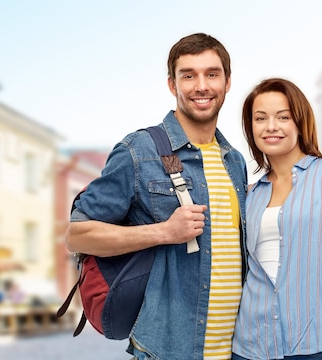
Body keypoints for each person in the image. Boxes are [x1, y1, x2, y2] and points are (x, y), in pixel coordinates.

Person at [66, 33, 248, 359]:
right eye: (188, 75)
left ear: (228, 82)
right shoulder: (139, 151)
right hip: (167, 349)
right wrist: (164, 232)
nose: (201, 85)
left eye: (212, 73)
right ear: (172, 85)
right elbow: (77, 235)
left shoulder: (234, 161)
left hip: (236, 349)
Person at [232, 78, 322, 360]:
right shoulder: (250, 194)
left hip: (318, 347)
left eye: (283, 117)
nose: (271, 126)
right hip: (251, 347)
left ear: (300, 122)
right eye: (260, 118)